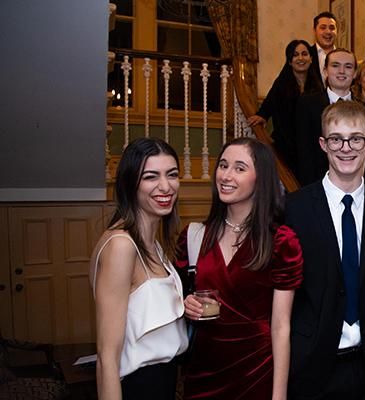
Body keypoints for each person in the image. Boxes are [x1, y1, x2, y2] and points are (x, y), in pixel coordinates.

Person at [286, 100, 365, 399]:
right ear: (323, 144)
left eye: (355, 139)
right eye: (336, 139)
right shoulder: (294, 209)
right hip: (313, 367)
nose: (346, 148)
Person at [178, 137, 303, 400]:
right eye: (223, 165)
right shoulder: (193, 236)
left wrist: (278, 396)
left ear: (261, 178)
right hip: (203, 370)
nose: (226, 175)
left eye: (239, 168)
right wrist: (186, 304)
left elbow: (281, 326)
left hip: (257, 370)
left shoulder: (281, 241)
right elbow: (177, 300)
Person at [90, 137, 188, 400]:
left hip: (163, 382)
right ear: (130, 183)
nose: (165, 186)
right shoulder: (122, 245)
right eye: (150, 177)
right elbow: (107, 358)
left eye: (172, 174)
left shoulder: (152, 243)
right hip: (137, 387)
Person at [294, 48, 365, 186]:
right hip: (317, 186)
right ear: (325, 71)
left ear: (355, 73)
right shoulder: (307, 104)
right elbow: (303, 153)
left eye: (348, 67)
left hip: (356, 185)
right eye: (335, 65)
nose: (342, 71)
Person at [247, 40, 322, 177]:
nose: (300, 58)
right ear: (289, 61)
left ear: (311, 59)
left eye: (304, 54)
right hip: (286, 146)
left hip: (310, 146)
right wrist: (262, 115)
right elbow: (269, 104)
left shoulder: (317, 86)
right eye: (295, 55)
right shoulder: (281, 84)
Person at [308, 12, 337, 90]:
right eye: (323, 28)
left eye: (332, 28)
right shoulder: (305, 55)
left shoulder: (344, 57)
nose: (328, 32)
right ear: (314, 31)